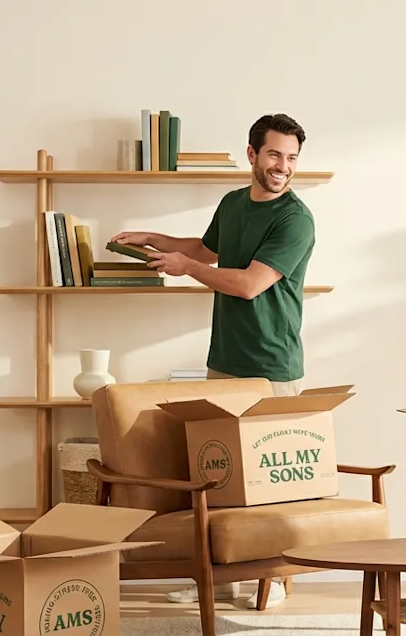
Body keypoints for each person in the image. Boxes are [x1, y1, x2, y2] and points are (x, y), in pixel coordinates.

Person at [110, 113, 315, 608]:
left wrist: (189, 269)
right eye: (273, 154)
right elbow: (204, 250)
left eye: (290, 157)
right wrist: (156, 240)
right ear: (252, 155)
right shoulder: (233, 203)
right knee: (218, 476)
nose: (282, 166)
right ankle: (215, 576)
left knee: (269, 481)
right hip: (224, 362)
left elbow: (247, 284)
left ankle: (276, 579)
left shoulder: (296, 219)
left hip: (271, 366)